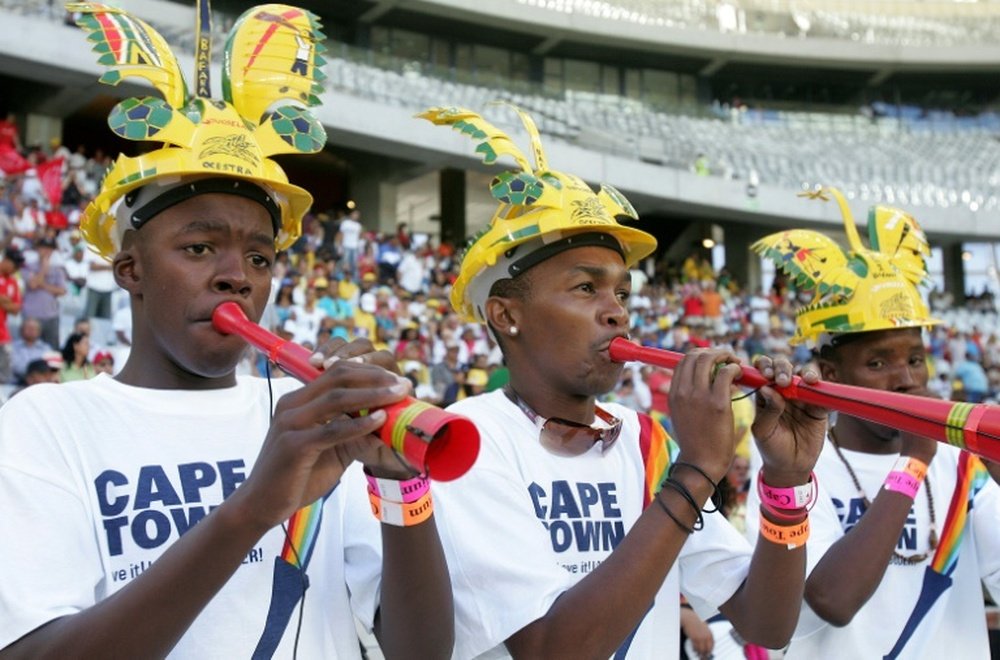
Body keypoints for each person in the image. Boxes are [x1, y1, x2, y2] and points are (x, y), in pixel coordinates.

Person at [0, 5, 453, 659]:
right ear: (131, 269)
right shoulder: (47, 422)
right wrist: (251, 510)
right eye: (199, 248)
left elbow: (422, 653)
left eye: (261, 258)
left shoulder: (319, 423)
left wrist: (401, 484)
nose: (237, 276)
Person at [421, 105, 827, 659]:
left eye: (623, 293)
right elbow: (551, 650)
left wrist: (787, 480)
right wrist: (697, 470)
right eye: (587, 289)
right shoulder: (463, 438)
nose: (618, 313)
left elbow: (766, 622)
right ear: (505, 315)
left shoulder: (646, 440)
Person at [748, 187, 1000, 658]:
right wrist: (914, 463)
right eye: (879, 364)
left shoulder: (963, 468)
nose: (907, 381)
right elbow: (832, 600)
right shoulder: (794, 470)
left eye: (916, 359)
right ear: (829, 375)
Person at [0, 246, 23, 384]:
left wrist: (3, 300)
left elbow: (16, 309)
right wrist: (5, 301)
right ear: (7, 260)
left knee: (4, 376)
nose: (17, 269)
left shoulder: (13, 281)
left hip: (2, 333)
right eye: (16, 265)